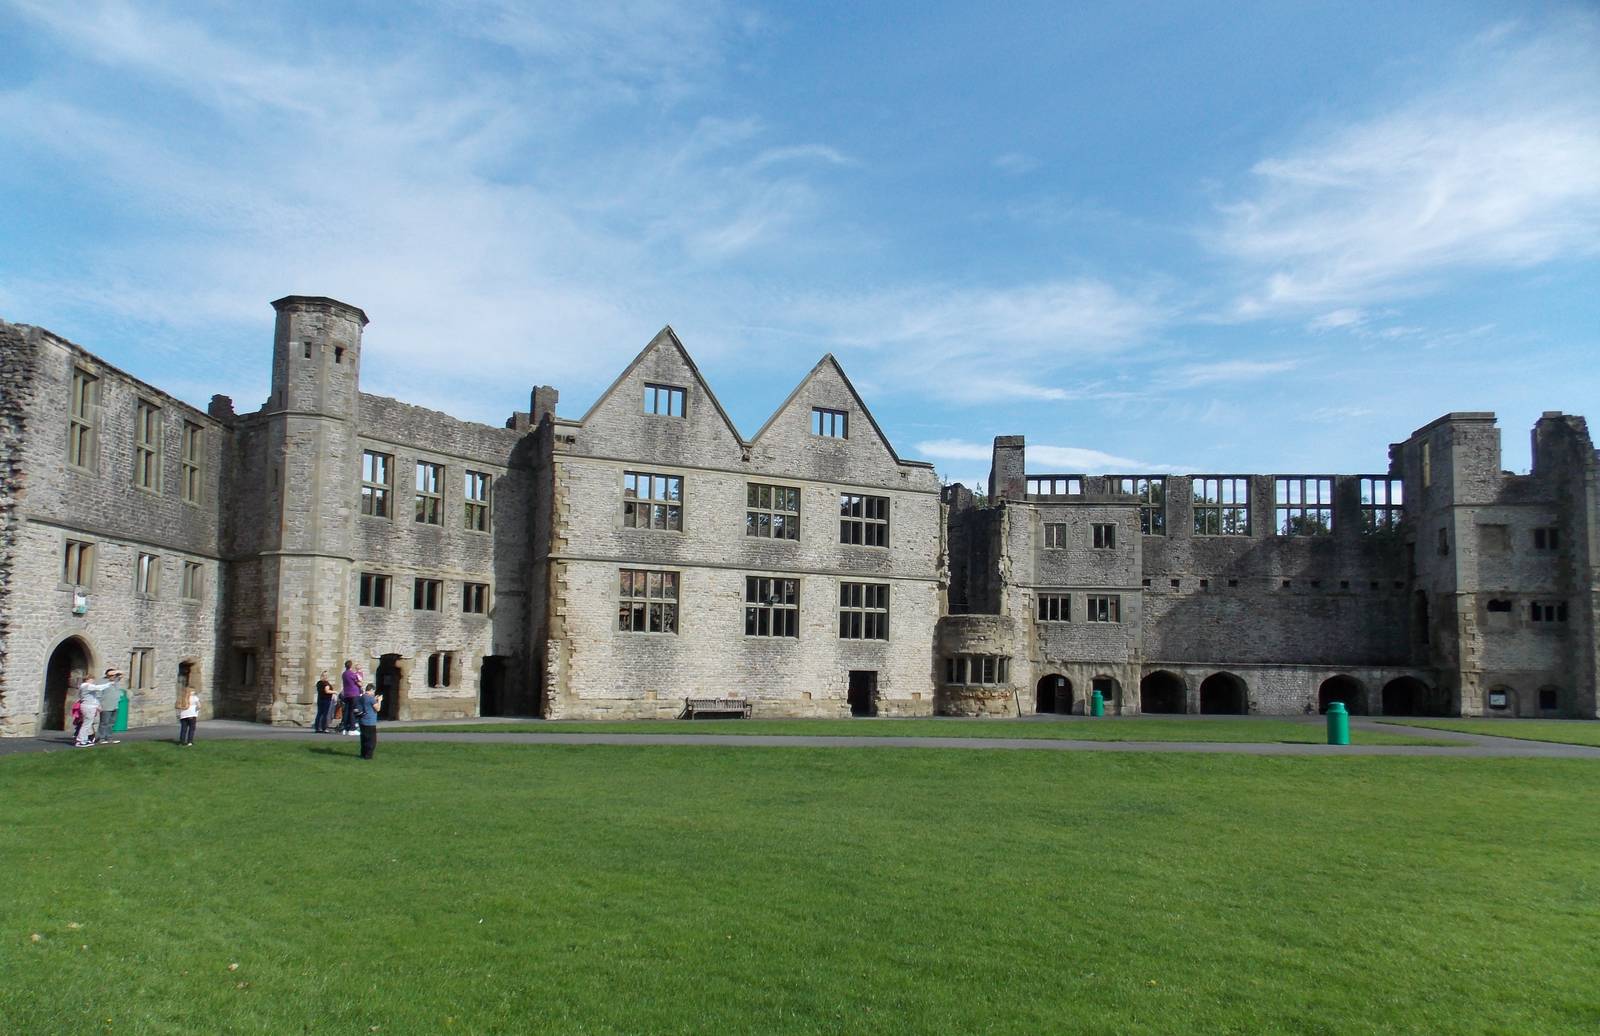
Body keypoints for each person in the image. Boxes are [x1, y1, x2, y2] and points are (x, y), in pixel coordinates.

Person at [95, 668, 125, 744]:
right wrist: (98, 705)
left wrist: (116, 672)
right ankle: (101, 738)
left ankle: (109, 737)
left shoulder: (116, 680)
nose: (113, 676)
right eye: (111, 675)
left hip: (115, 705)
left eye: (114, 675)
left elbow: (122, 674)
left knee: (111, 723)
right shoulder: (102, 682)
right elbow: (98, 694)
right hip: (105, 705)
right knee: (104, 723)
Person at [74, 678, 102, 748]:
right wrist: (110, 684)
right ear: (87, 680)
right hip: (88, 707)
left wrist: (97, 705)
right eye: (91, 680)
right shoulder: (86, 687)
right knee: (86, 724)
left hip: (89, 707)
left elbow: (94, 698)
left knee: (88, 724)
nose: (92, 682)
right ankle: (81, 741)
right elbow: (99, 688)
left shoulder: (88, 688)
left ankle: (84, 739)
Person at [357, 682, 381, 760]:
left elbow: (367, 704)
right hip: (370, 722)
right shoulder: (370, 698)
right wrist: (379, 700)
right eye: (373, 691)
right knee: (371, 741)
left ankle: (363, 754)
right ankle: (368, 756)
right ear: (371, 690)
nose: (373, 693)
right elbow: (377, 708)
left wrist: (374, 699)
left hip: (362, 721)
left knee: (364, 739)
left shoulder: (362, 697)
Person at [340, 660, 363, 736]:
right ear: (351, 666)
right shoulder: (352, 674)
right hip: (354, 694)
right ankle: (352, 729)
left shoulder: (344, 674)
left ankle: (345, 728)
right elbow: (359, 683)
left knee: (347, 711)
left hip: (347, 694)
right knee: (353, 711)